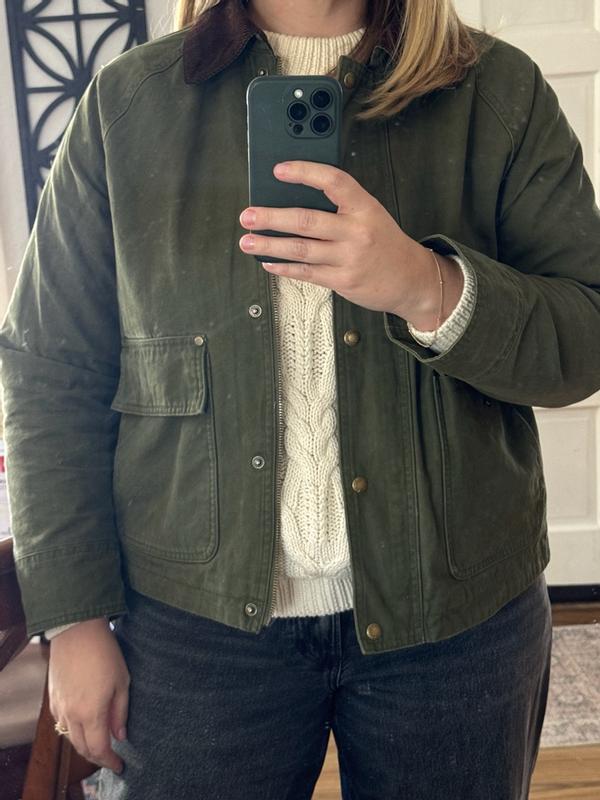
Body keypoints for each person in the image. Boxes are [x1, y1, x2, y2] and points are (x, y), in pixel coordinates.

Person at [1, 0, 599, 797]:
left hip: (458, 617)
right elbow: (51, 371)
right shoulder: (128, 102)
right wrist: (74, 621)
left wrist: (426, 286)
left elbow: (584, 336)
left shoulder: (497, 91)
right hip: (193, 628)